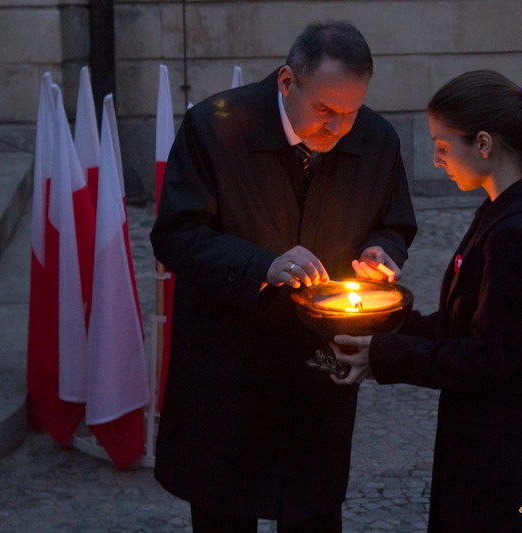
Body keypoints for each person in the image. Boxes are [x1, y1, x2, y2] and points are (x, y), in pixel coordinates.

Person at [150, 21, 417, 532]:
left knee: (312, 506)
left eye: (351, 112)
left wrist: (382, 249)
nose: (339, 129)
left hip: (317, 365)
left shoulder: (376, 140)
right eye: (325, 111)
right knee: (224, 506)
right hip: (228, 365)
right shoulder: (215, 128)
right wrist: (261, 266)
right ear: (287, 82)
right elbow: (177, 235)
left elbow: (395, 220)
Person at [331, 70, 522, 532]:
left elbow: (488, 358)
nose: (437, 160)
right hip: (484, 436)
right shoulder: (499, 211)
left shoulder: (517, 234)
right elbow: (463, 324)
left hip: (503, 455)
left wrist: (384, 355)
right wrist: (383, 320)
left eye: (444, 147)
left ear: (483, 144)